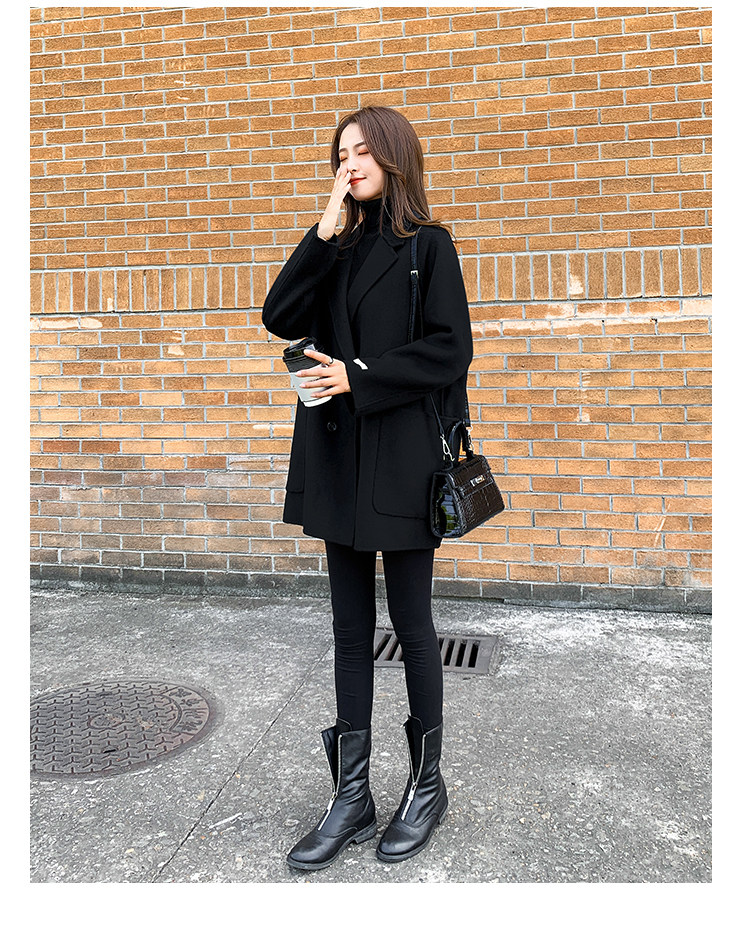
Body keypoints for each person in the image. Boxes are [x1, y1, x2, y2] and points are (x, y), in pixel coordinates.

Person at [261, 105, 473, 870]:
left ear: (392, 157)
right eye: (339, 155)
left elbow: (450, 349)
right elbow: (278, 315)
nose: (348, 164)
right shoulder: (337, 248)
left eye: (360, 152)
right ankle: (351, 796)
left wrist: (359, 376)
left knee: (412, 626)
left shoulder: (428, 246)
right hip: (337, 461)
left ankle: (426, 787)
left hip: (402, 461)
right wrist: (322, 229)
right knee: (349, 631)